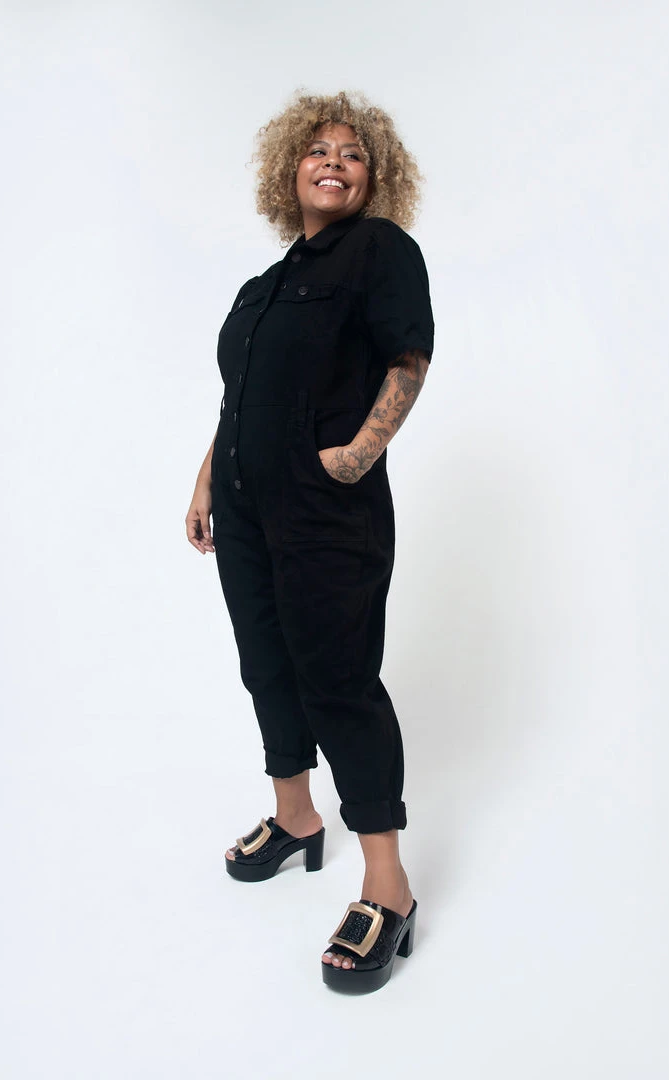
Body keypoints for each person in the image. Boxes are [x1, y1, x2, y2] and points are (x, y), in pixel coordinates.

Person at [185, 90, 434, 993]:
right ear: (289, 169)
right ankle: (295, 817)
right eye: (318, 149)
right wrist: (206, 480)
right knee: (266, 664)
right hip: (245, 505)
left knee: (338, 681)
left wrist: (358, 456)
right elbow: (240, 398)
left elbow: (408, 358)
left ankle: (388, 886)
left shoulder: (380, 251)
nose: (335, 161)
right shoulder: (263, 288)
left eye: (354, 153)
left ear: (375, 177)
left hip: (326, 510)